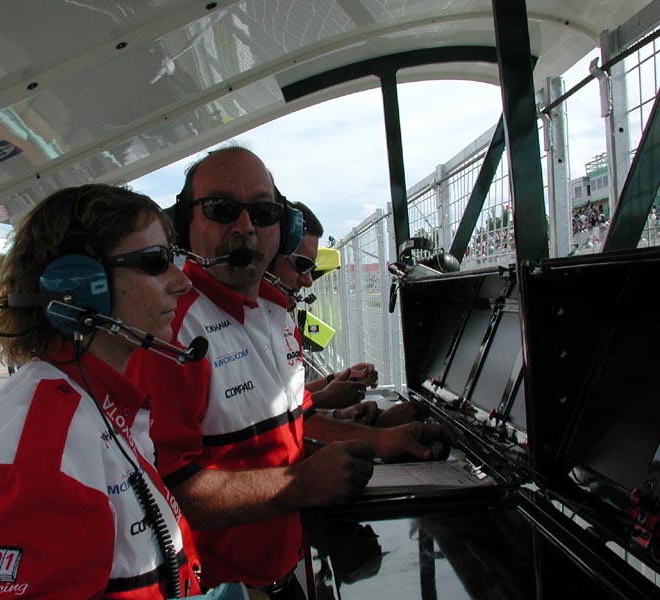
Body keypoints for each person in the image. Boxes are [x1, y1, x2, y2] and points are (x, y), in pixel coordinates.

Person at [127, 147, 453, 596]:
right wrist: (297, 485)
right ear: (185, 223)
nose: (245, 228)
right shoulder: (172, 332)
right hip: (225, 588)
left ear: (283, 229)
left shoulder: (275, 312)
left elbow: (297, 424)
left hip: (292, 566)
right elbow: (165, 494)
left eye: (263, 213)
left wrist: (379, 441)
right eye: (222, 210)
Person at [0, 184, 215, 599]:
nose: (181, 282)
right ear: (78, 285)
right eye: (155, 262)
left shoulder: (94, 407)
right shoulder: (42, 445)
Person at [269, 200, 425, 428]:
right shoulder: (239, 327)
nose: (308, 280)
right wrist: (377, 437)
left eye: (312, 270)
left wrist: (339, 382)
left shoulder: (282, 319)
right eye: (301, 265)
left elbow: (291, 398)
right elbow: (256, 426)